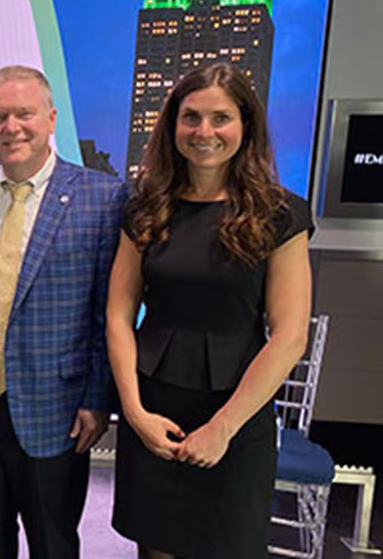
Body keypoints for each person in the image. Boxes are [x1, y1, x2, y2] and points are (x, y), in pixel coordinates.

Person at [107, 62, 313, 558]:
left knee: (228, 546)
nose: (204, 132)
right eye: (190, 117)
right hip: (154, 408)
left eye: (220, 118)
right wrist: (134, 414)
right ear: (172, 125)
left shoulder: (280, 214)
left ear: (245, 126)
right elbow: (117, 314)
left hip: (237, 415)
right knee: (156, 548)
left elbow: (289, 336)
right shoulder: (145, 207)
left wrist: (222, 428)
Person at [0, 65, 126, 559]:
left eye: (24, 114)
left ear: (51, 117)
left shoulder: (101, 197)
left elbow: (110, 310)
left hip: (56, 407)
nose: (11, 127)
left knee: (53, 540)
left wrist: (98, 396)